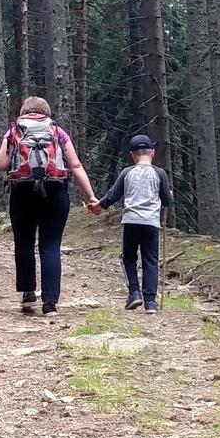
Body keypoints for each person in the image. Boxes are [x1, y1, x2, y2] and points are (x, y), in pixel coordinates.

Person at [0, 96, 98, 316]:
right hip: (55, 191)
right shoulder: (57, 131)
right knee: (50, 246)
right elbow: (75, 165)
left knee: (24, 243)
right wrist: (90, 198)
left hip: (22, 192)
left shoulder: (14, 130)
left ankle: (28, 294)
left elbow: (0, 164)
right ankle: (50, 303)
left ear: (24, 111)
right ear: (47, 112)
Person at [90, 134, 173, 313]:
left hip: (131, 221)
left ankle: (134, 293)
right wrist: (169, 195)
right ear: (152, 152)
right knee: (151, 260)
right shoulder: (159, 173)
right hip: (151, 223)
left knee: (128, 257)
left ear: (133, 155)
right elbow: (167, 201)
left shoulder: (127, 173)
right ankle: (150, 302)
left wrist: (98, 206)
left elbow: (113, 195)